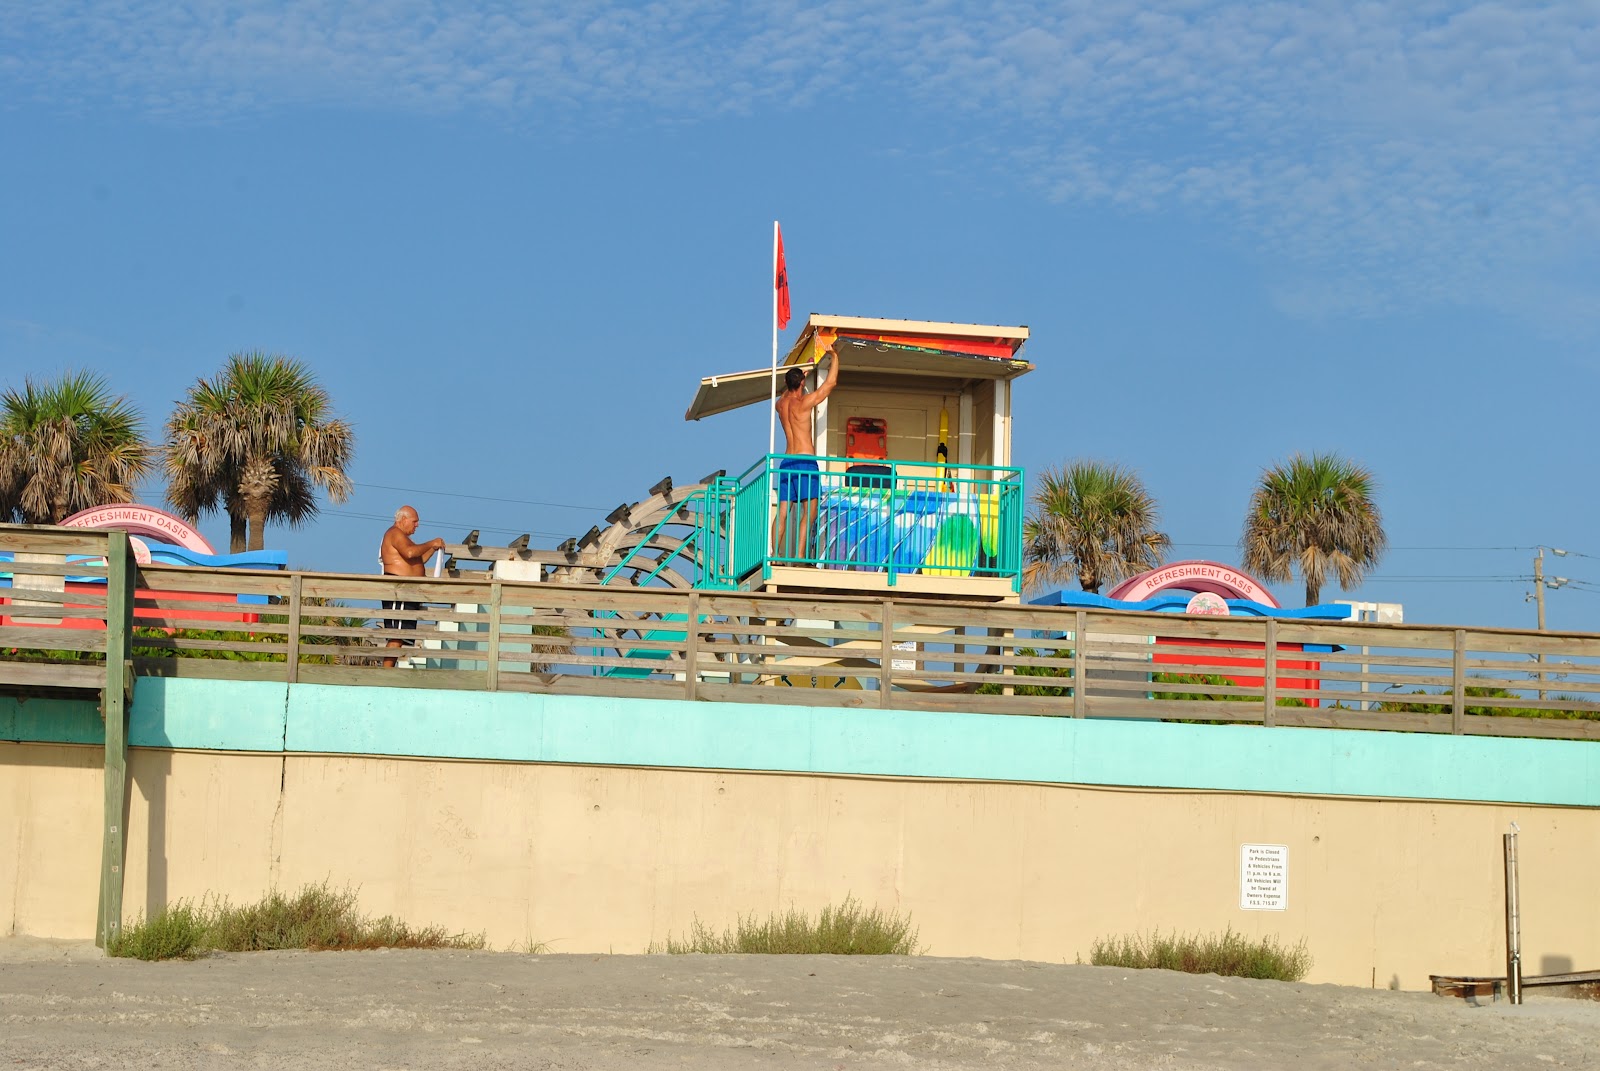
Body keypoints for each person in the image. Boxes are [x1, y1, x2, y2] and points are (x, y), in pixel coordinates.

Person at [772, 338, 841, 559]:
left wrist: (799, 376)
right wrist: (835, 356)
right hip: (805, 461)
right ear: (802, 383)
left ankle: (776, 555)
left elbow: (787, 390)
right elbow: (829, 385)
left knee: (783, 513)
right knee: (809, 512)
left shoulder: (780, 405)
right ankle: (800, 557)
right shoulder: (803, 404)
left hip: (786, 462)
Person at [379, 505, 444, 668]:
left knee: (401, 636)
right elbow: (409, 553)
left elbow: (417, 560)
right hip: (399, 588)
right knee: (396, 636)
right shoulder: (394, 533)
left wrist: (432, 549)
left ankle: (388, 671)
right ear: (403, 519)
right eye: (415, 521)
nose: (417, 525)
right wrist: (431, 542)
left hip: (409, 590)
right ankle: (384, 674)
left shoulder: (405, 538)